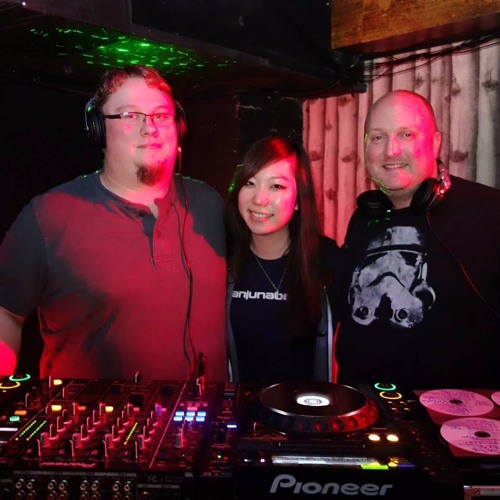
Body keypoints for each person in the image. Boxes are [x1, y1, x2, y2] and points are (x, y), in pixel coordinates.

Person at [0, 64, 227, 382]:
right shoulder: (48, 216)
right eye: (130, 115)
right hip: (94, 414)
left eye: (161, 115)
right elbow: (6, 311)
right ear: (97, 128)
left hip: (204, 412)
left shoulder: (209, 204)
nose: (149, 128)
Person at [335, 89, 500, 389]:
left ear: (435, 143)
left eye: (406, 135)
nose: (391, 151)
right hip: (362, 407)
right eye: (378, 137)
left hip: (453, 414)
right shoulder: (363, 218)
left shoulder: (490, 211)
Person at [226, 136, 340, 387]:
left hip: (306, 407)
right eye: (250, 183)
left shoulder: (327, 258)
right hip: (240, 407)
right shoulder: (223, 258)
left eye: (276, 186)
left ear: (298, 200)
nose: (259, 199)